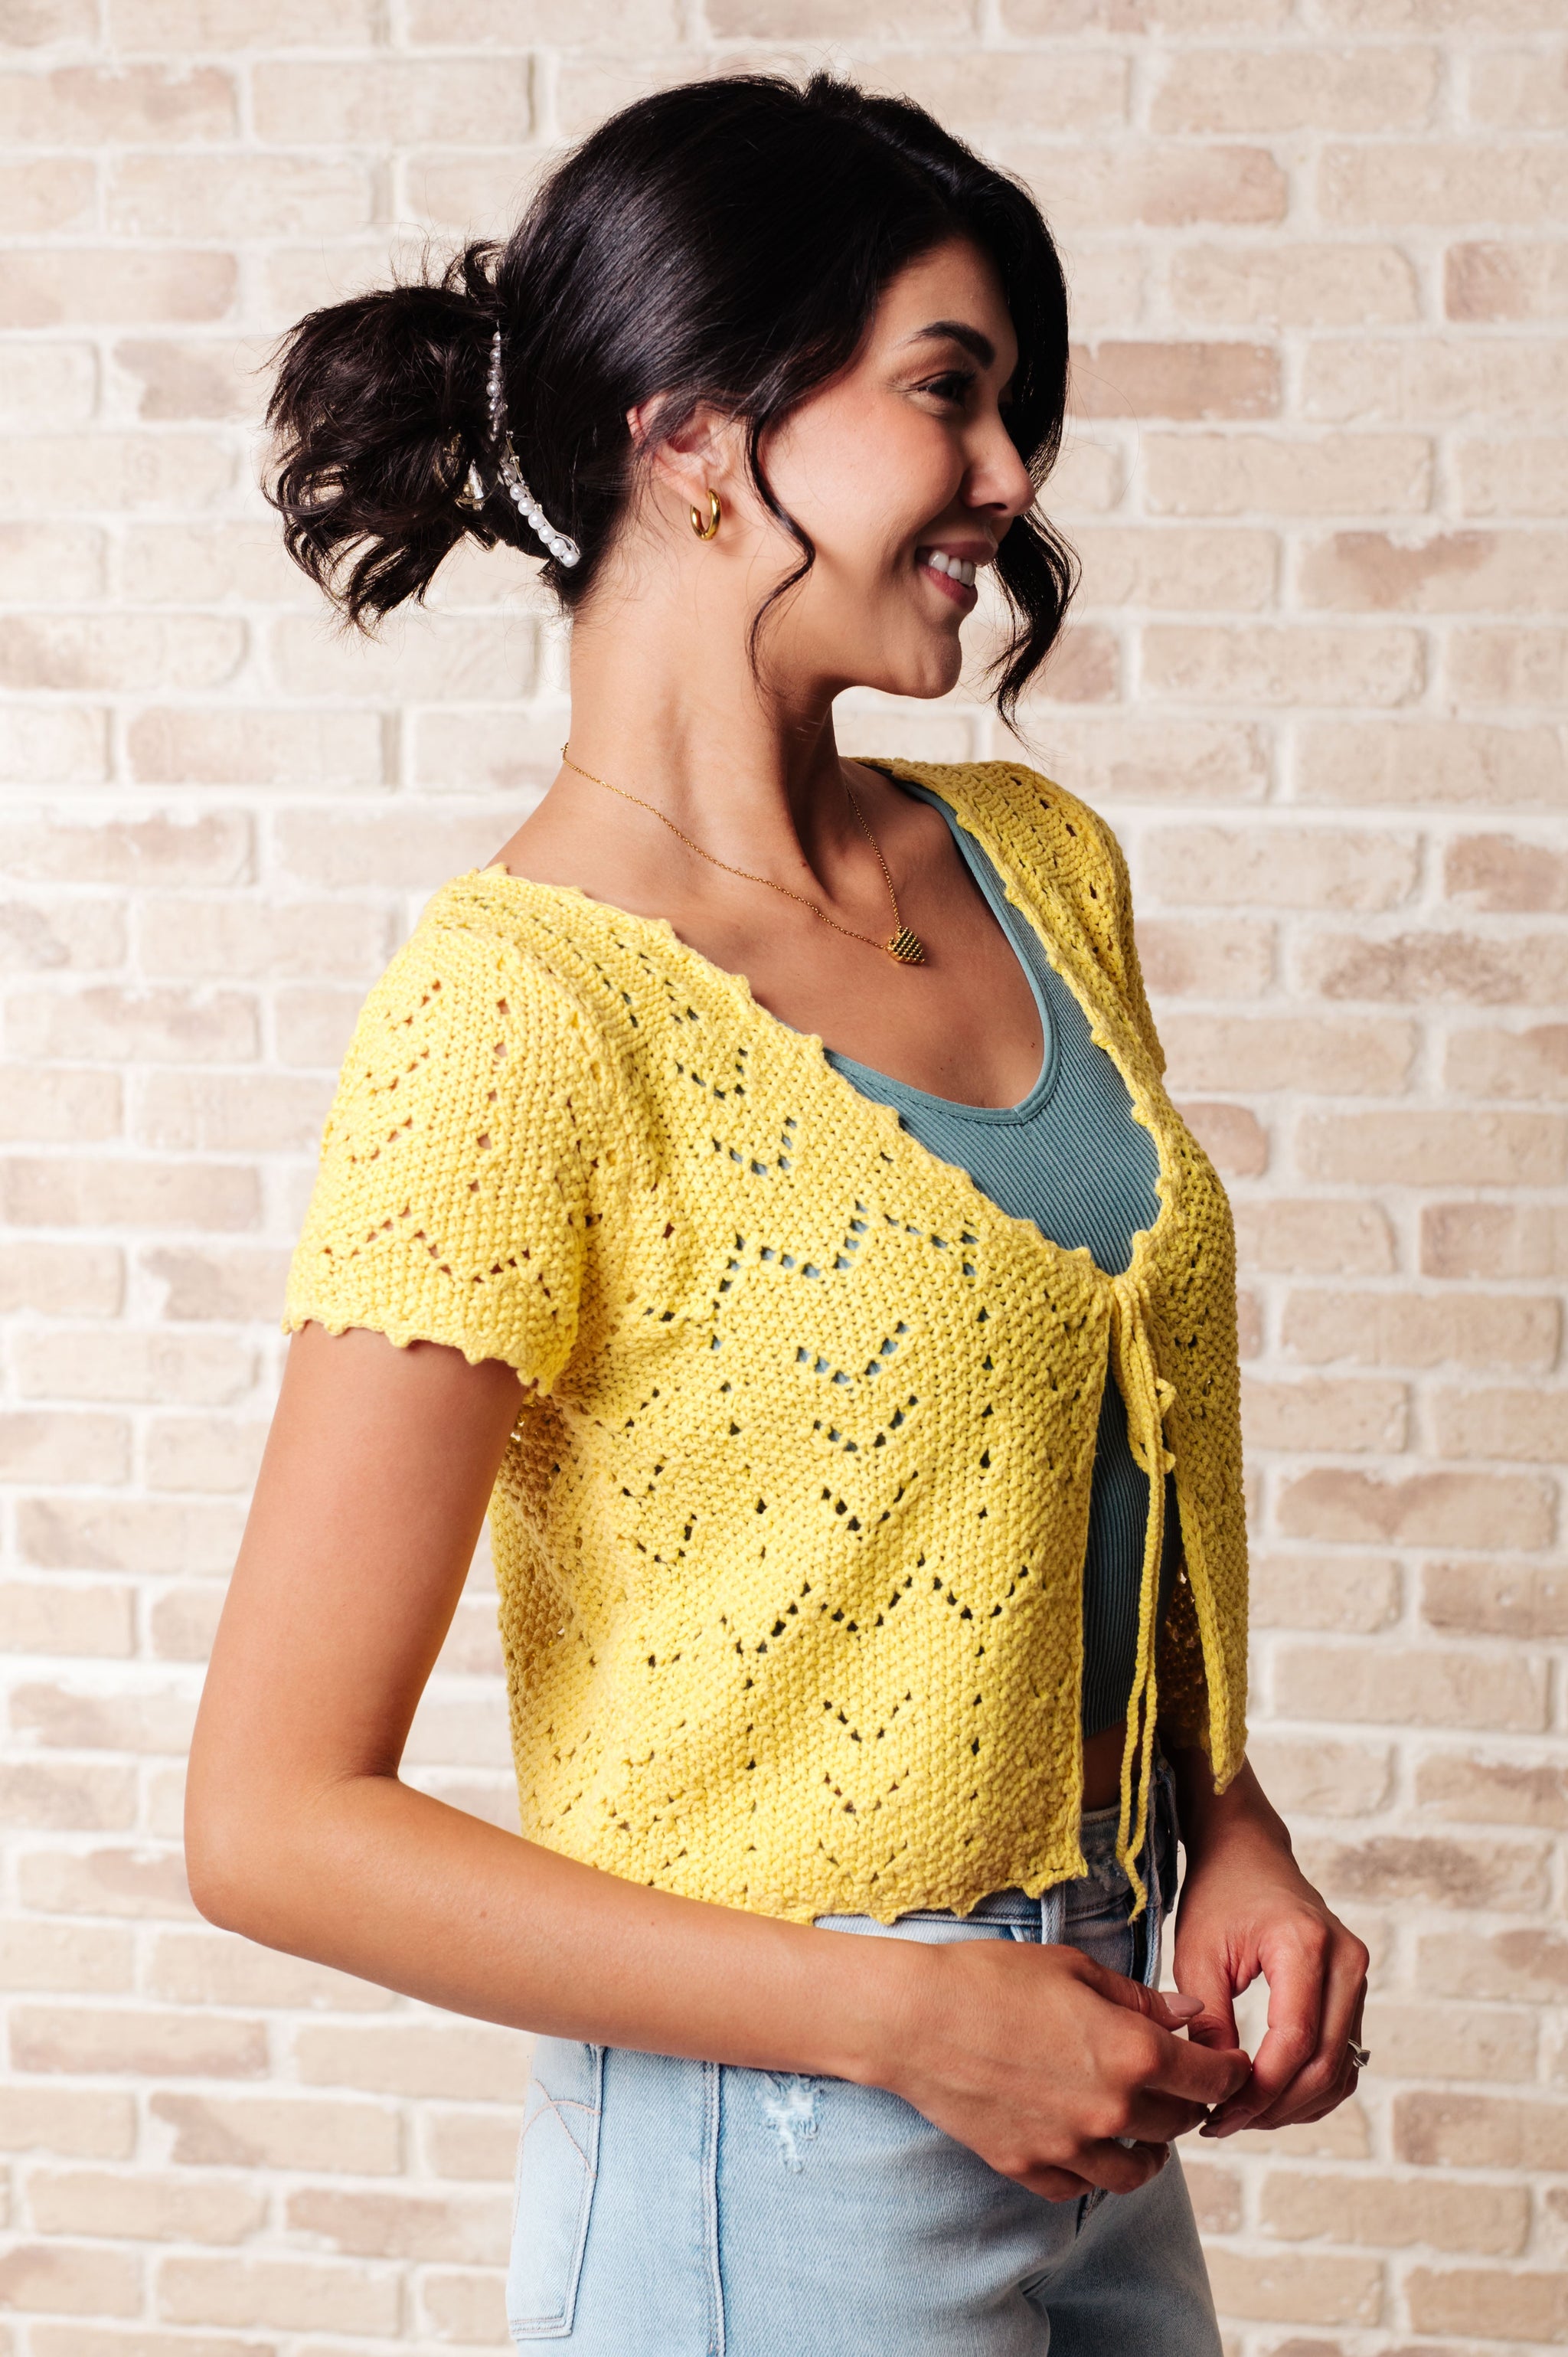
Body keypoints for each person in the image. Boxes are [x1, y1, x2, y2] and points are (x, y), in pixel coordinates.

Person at [185, 72, 1369, 2356]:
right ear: (698, 439)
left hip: (1100, 2082)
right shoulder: (520, 1016)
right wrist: (906, 2019)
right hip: (773, 2164)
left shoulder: (1035, 866)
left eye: (1012, 408)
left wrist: (1227, 1826)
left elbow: (1054, 1502)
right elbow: (271, 1819)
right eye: (949, 391)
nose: (1008, 476)